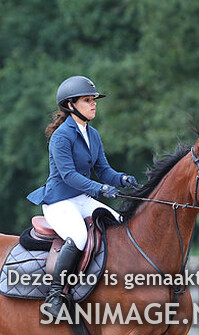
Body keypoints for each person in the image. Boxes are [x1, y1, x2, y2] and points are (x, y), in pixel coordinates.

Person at [27, 75, 138, 318]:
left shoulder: (93, 134)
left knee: (120, 225)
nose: (93, 104)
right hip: (59, 201)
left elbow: (103, 170)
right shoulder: (61, 136)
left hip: (81, 198)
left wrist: (121, 179)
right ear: (70, 105)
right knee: (78, 237)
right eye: (87, 100)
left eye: (94, 100)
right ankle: (55, 295)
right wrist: (100, 189)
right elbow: (68, 176)